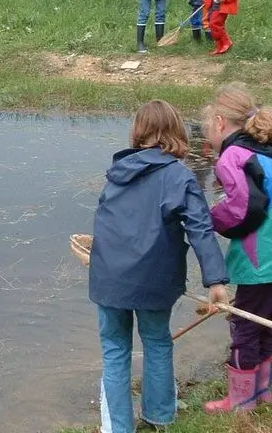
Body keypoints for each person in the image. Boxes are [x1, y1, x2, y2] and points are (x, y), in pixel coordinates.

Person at [89, 100, 230, 432]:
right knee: (156, 340)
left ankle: (118, 428)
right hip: (153, 280)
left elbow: (107, 222)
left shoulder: (117, 173)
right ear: (177, 132)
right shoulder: (180, 176)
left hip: (109, 278)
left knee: (114, 349)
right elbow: (200, 228)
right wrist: (216, 281)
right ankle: (159, 418)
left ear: (138, 133)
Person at [201, 85, 272, 413]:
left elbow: (242, 208)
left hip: (263, 260)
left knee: (246, 328)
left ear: (221, 122)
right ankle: (262, 392)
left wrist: (210, 218)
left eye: (208, 128)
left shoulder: (230, 156)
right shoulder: (270, 150)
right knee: (267, 322)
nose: (207, 136)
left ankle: (240, 402)